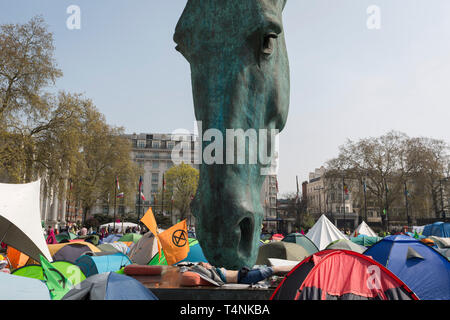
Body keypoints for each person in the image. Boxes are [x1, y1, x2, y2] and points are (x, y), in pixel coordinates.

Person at [196, 262, 295, 285]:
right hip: (243, 278)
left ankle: (293, 269)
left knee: (271, 270)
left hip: (244, 274)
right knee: (273, 269)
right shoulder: (211, 273)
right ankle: (296, 266)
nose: (207, 263)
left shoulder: (213, 270)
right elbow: (196, 268)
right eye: (205, 263)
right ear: (204, 267)